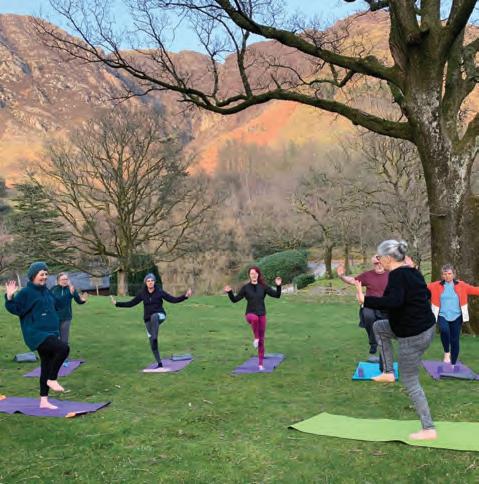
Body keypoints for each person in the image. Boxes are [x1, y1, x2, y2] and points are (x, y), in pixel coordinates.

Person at [354, 240, 437, 441]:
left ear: (388, 258)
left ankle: (428, 429)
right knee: (379, 327)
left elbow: (393, 302)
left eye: (379, 257)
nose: (378, 261)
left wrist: (365, 300)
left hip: (413, 335)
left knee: (410, 380)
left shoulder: (398, 275)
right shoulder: (412, 272)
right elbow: (426, 293)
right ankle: (389, 372)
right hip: (425, 328)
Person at [4, 262, 69, 409]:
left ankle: (44, 401)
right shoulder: (26, 292)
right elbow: (16, 309)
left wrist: (67, 293)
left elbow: (58, 304)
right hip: (36, 333)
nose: (45, 277)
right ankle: (52, 380)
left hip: (51, 332)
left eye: (46, 274)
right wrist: (9, 296)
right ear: (33, 276)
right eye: (41, 274)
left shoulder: (46, 291)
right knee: (63, 349)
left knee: (47, 364)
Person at [111, 273, 192, 371]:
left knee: (154, 317)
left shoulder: (159, 292)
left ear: (154, 282)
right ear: (146, 282)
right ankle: (159, 363)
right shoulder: (142, 293)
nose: (150, 282)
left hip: (160, 316)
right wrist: (117, 304)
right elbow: (131, 303)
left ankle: (155, 337)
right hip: (147, 320)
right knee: (152, 344)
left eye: (152, 280)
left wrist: (185, 296)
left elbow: (173, 300)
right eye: (148, 281)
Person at [225, 267, 282, 371]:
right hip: (250, 315)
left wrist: (278, 285)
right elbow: (234, 300)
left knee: (261, 341)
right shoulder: (246, 288)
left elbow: (277, 295)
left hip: (262, 315)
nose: (254, 275)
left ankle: (260, 364)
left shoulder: (263, 287)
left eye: (255, 273)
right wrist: (229, 292)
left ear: (258, 274)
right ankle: (256, 338)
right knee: (254, 319)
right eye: (252, 273)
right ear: (249, 275)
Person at [337, 256, 389, 362]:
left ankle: (384, 357)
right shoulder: (367, 275)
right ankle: (373, 343)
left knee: (383, 330)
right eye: (376, 263)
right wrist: (342, 276)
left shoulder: (392, 274)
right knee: (368, 316)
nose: (379, 265)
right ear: (373, 264)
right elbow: (353, 281)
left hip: (386, 307)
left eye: (380, 262)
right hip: (370, 305)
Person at [428, 264, 479, 366]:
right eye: (444, 274)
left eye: (449, 274)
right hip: (442, 315)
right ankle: (447, 352)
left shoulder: (462, 285)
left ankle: (453, 363)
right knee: (444, 330)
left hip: (457, 316)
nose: (447, 276)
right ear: (442, 275)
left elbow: (475, 290)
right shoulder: (435, 286)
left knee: (455, 339)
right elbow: (420, 287)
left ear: (454, 274)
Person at [50, 272, 88, 365]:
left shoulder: (71, 289)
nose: (65, 281)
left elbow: (78, 301)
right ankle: (54, 357)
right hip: (54, 318)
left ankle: (64, 359)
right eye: (62, 279)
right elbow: (55, 302)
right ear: (58, 280)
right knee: (54, 339)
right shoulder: (53, 289)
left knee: (64, 340)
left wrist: (83, 300)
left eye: (66, 279)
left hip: (66, 317)